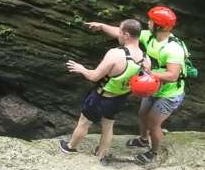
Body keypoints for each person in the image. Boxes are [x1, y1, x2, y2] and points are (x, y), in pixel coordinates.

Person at [59, 19, 147, 161]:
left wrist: (81, 69)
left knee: (84, 122)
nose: (117, 34)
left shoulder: (116, 54)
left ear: (126, 35)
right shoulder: (145, 59)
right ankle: (101, 153)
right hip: (120, 97)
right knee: (108, 125)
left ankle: (70, 147)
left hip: (101, 96)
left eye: (119, 32)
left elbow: (94, 76)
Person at [126, 6, 186, 165]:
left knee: (153, 124)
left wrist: (148, 73)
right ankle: (143, 140)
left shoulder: (173, 49)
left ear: (159, 26)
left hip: (169, 94)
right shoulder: (150, 37)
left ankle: (154, 152)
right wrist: (102, 27)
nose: (148, 23)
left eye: (151, 21)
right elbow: (128, 34)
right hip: (153, 88)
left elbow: (172, 76)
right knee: (142, 114)